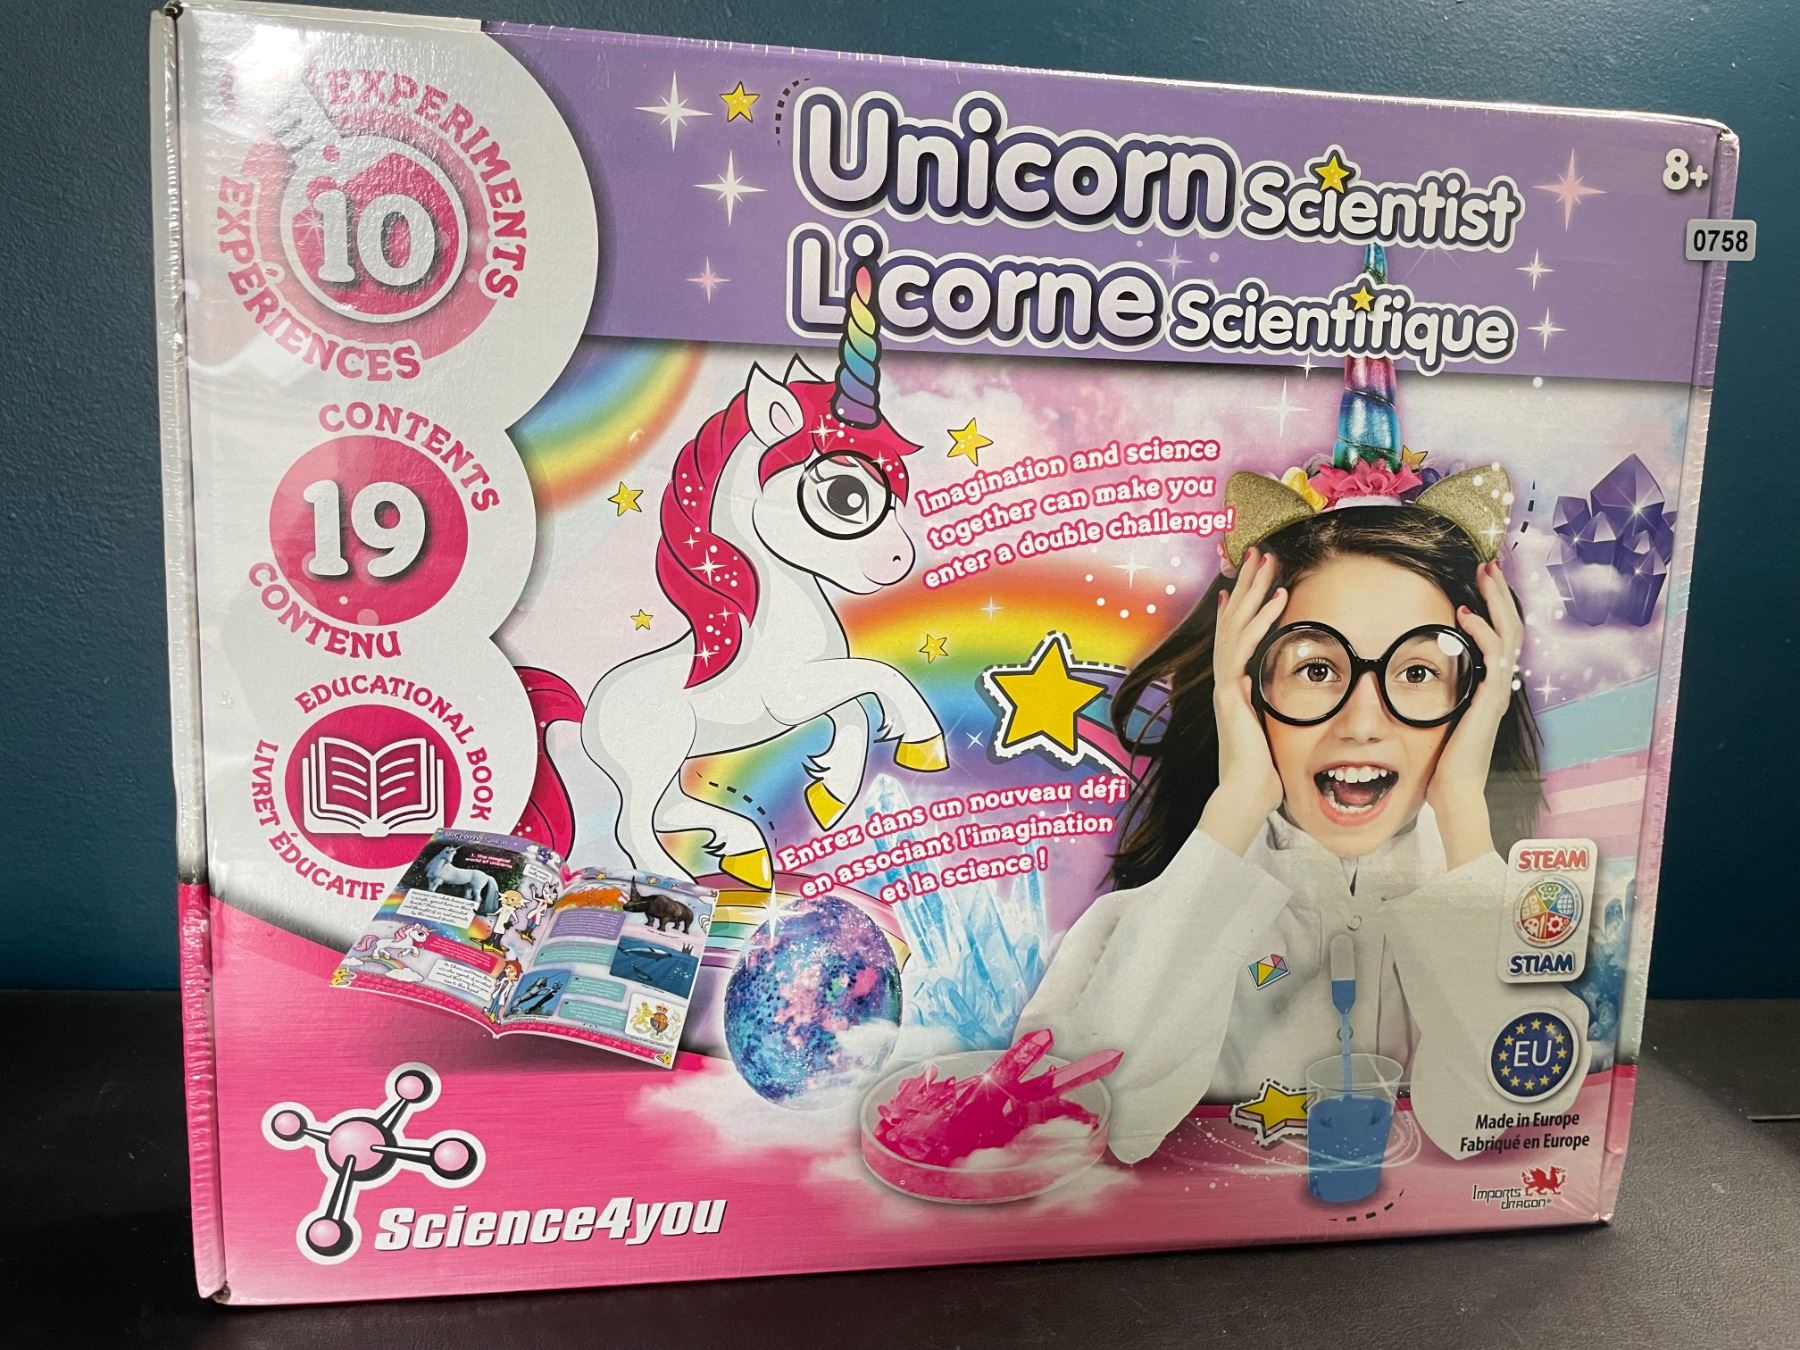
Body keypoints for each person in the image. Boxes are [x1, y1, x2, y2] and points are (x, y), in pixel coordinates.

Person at [1017, 253, 1590, 1164]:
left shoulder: (1499, 908)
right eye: (1317, 667)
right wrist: (1237, 803)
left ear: (1471, 693)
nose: (1363, 719)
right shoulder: (1149, 920)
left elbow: (1492, 1121)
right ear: (1249, 685)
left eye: (1418, 671)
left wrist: (1464, 812)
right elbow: (1098, 1122)